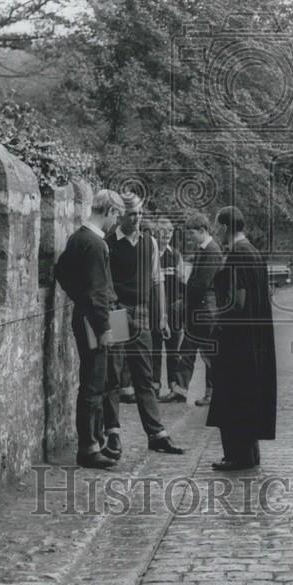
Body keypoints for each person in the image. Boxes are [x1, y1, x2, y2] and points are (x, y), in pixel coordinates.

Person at [104, 193, 184, 456]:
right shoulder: (108, 244)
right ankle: (112, 433)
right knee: (113, 375)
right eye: (131, 214)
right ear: (120, 216)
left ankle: (156, 434)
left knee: (145, 377)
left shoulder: (149, 242)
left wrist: (160, 317)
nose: (137, 219)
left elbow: (156, 282)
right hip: (116, 313)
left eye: (139, 214)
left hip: (141, 314)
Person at [54, 189, 125, 469]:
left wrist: (79, 297)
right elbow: (97, 291)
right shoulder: (95, 243)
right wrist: (105, 327)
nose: (116, 223)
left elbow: (62, 272)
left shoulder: (77, 238)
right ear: (108, 211)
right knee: (95, 384)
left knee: (102, 380)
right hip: (96, 320)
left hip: (91, 314)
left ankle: (95, 441)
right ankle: (89, 447)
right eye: (116, 215)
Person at [207, 206, 277, 470]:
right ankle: (248, 453)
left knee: (234, 394)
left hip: (238, 339)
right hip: (254, 337)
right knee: (248, 393)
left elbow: (237, 301)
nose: (216, 231)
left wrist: (217, 323)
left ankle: (237, 455)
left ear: (225, 227)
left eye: (218, 226)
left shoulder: (238, 255)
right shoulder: (254, 253)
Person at [161, 211, 223, 406]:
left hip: (205, 311)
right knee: (187, 350)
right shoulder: (205, 249)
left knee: (208, 355)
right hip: (199, 309)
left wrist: (183, 300)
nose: (190, 237)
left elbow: (201, 284)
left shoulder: (212, 251)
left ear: (202, 230)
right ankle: (180, 390)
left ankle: (212, 394)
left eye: (192, 233)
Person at [151, 216, 186, 399]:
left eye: (169, 232)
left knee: (174, 352)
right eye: (162, 232)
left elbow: (183, 283)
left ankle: (174, 388)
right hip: (155, 310)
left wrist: (181, 305)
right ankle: (155, 387)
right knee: (155, 351)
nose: (166, 235)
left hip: (174, 311)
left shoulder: (176, 255)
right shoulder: (151, 254)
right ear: (155, 234)